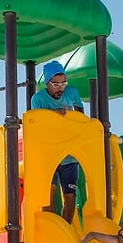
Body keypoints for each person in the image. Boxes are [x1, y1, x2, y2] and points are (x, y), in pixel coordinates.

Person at [29, 60, 86, 223]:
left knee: (70, 197)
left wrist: (71, 117)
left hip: (69, 154)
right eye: (55, 84)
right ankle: (51, 228)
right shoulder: (38, 99)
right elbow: (38, 123)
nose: (60, 87)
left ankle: (65, 229)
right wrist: (55, 115)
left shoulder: (71, 92)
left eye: (63, 83)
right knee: (50, 193)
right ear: (47, 83)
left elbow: (80, 114)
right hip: (49, 153)